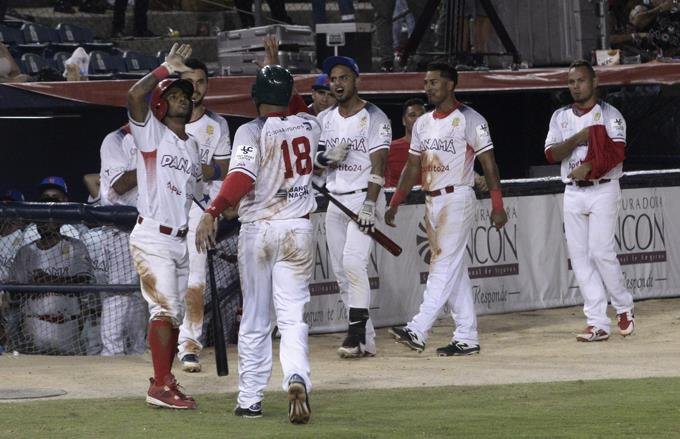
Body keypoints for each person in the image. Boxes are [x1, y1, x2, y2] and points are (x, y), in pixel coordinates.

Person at [195, 64, 318, 424]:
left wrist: (213, 211)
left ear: (255, 97)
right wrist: (279, 71)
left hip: (260, 231)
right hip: (298, 228)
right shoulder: (311, 124)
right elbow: (292, 102)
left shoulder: (250, 130)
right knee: (293, 316)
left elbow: (241, 177)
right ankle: (296, 375)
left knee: (255, 319)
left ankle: (250, 399)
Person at [386, 62, 507, 356]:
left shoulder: (470, 118)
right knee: (454, 269)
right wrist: (395, 200)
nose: (427, 87)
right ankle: (467, 336)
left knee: (441, 264)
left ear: (451, 85)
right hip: (431, 199)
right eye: (426, 82)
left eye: (433, 82)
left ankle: (418, 328)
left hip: (457, 196)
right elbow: (413, 165)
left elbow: (488, 164)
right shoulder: (423, 122)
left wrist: (497, 204)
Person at [126, 42, 201, 409]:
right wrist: (165, 69)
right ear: (161, 103)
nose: (182, 100)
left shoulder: (193, 147)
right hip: (152, 235)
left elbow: (201, 191)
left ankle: (164, 381)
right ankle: (160, 386)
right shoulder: (151, 134)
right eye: (174, 95)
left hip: (181, 241)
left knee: (176, 318)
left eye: (185, 96)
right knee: (164, 311)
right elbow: (133, 94)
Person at [543, 59, 635, 342]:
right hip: (573, 190)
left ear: (594, 82)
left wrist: (590, 167)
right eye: (571, 82)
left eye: (581, 80)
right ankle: (597, 322)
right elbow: (551, 154)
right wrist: (581, 136)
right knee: (580, 258)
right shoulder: (560, 116)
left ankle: (623, 305)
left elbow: (617, 153)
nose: (575, 86)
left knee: (601, 251)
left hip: (603, 188)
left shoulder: (610, 114)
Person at [316, 55, 391, 359]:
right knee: (340, 271)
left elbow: (380, 163)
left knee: (353, 262)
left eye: (343, 77)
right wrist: (326, 158)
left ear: (356, 80)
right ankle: (366, 341)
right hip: (335, 199)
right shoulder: (324, 119)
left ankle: (354, 332)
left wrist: (371, 204)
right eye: (332, 79)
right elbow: (314, 167)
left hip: (363, 197)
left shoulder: (375, 116)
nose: (337, 83)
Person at [176, 58, 232, 373]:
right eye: (189, 82)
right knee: (167, 281)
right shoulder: (163, 120)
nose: (195, 89)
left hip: (201, 209)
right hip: (169, 209)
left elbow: (225, 169)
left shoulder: (217, 124)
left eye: (200, 82)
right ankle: (166, 340)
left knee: (196, 280)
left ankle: (189, 345)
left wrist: (213, 211)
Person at [10, 178, 94, 355]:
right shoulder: (25, 252)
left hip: (68, 325)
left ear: (59, 221)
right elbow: (14, 291)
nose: (45, 223)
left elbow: (84, 281)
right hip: (34, 324)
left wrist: (50, 280)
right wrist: (33, 286)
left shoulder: (75, 246)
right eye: (41, 220)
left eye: (50, 219)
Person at [87, 124, 146, 356]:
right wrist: (153, 158)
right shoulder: (117, 139)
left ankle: (139, 350)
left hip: (151, 227)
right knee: (120, 293)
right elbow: (118, 186)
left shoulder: (167, 137)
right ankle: (111, 353)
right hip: (121, 228)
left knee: (144, 296)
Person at [384, 97, 425, 187]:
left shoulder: (437, 148)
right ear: (403, 120)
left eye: (422, 116)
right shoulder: (389, 149)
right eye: (412, 115)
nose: (418, 120)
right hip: (396, 199)